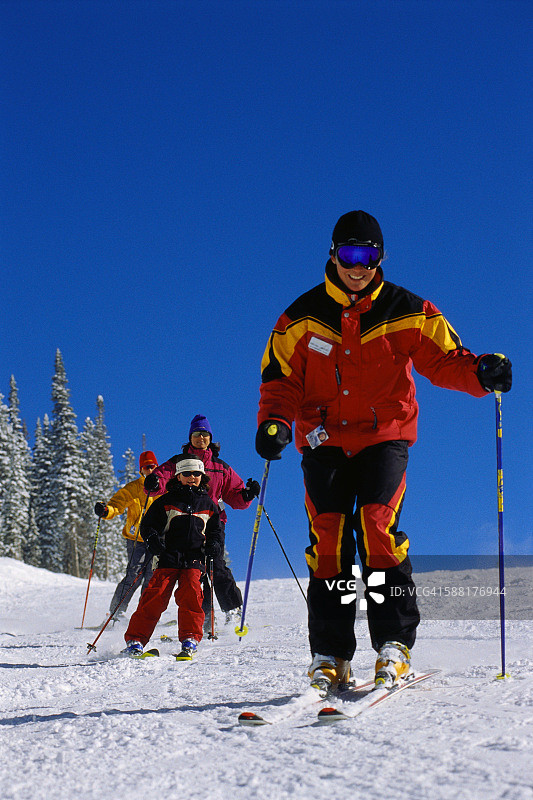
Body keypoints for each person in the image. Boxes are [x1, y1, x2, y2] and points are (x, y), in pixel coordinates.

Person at [255, 209, 512, 692]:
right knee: (328, 538)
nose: (359, 266)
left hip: (383, 437)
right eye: (350, 254)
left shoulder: (407, 309)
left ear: (380, 259)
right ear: (333, 255)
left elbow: (445, 359)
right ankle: (329, 653)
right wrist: (273, 423)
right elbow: (280, 378)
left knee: (376, 527)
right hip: (324, 440)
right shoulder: (301, 317)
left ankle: (394, 643)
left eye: (368, 255)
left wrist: (480, 372)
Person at [144, 414, 259, 627]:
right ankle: (203, 616)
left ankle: (232, 609)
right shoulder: (179, 462)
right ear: (191, 438)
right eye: (197, 434)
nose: (201, 438)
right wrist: (153, 482)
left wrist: (247, 494)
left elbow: (235, 495)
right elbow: (161, 478)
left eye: (205, 434)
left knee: (216, 564)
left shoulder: (220, 467)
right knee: (193, 569)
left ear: (210, 438)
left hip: (212, 521)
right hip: (183, 522)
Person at [123, 458, 223, 658]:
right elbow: (148, 525)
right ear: (178, 476)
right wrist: (152, 539)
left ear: (202, 477)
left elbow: (216, 531)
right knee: (155, 596)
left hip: (194, 559)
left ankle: (190, 639)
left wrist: (214, 545)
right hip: (168, 556)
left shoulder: (209, 504)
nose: (191, 478)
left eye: (196, 474)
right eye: (187, 474)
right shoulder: (166, 501)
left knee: (192, 596)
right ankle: (136, 640)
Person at [94, 450, 158, 623]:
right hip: (136, 538)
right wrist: (106, 511)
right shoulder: (134, 488)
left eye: (152, 466)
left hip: (158, 540)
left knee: (152, 578)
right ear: (141, 470)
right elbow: (117, 504)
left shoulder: (163, 487)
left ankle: (146, 614)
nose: (150, 470)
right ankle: (116, 613)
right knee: (134, 575)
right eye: (146, 467)